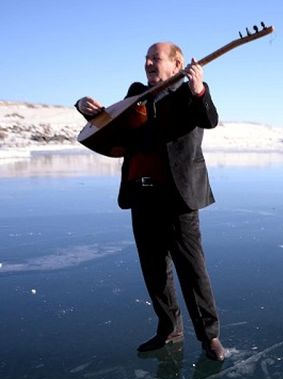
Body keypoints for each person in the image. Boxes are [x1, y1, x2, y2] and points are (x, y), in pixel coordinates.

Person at [75, 42, 226, 361]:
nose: (147, 63)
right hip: (141, 194)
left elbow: (209, 118)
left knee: (192, 270)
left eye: (155, 58)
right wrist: (84, 107)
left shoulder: (190, 93)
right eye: (145, 58)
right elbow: (108, 130)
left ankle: (209, 337)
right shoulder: (136, 95)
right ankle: (169, 329)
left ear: (176, 63)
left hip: (178, 196)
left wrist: (198, 88)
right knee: (154, 269)